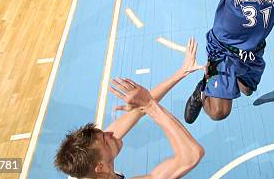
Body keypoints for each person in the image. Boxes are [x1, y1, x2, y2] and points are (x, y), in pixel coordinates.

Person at [54, 38, 205, 179]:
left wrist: (181, 72)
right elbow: (191, 156)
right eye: (105, 141)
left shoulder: (90, 165)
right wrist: (150, 106)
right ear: (100, 167)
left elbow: (140, 109)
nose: (111, 132)